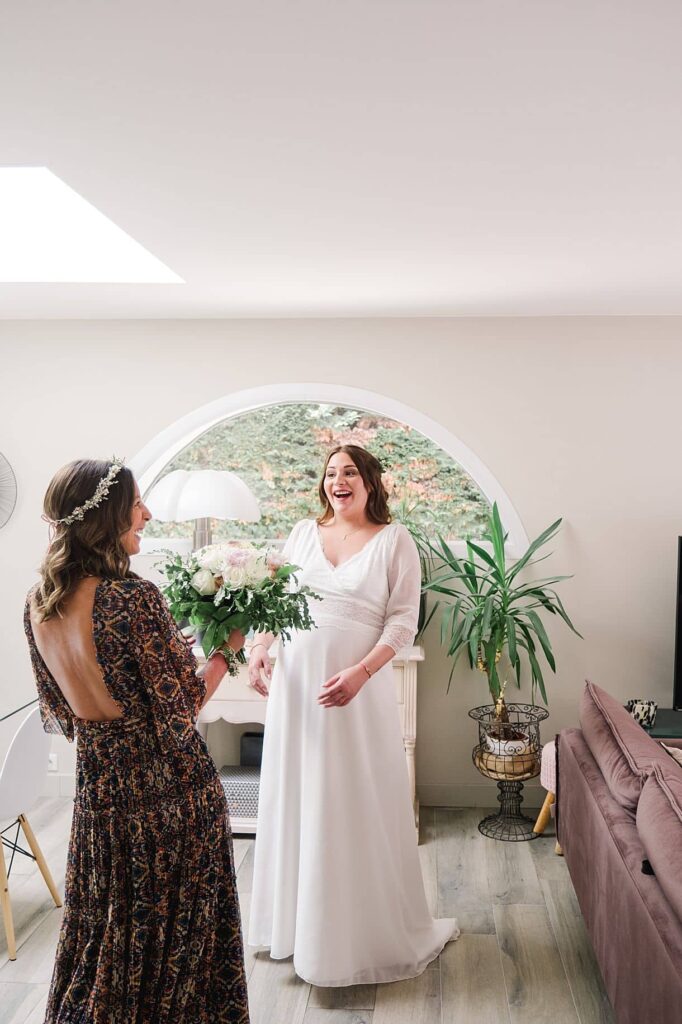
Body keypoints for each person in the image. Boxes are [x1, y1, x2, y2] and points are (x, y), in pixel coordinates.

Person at [24, 458, 250, 1024]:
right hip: (170, 793)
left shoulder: (38, 603)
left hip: (99, 793)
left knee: (104, 932)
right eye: (137, 504)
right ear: (106, 516)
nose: (146, 513)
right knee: (180, 938)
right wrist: (227, 652)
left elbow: (63, 715)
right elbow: (181, 711)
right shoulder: (132, 597)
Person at [247, 444, 458, 986]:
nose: (337, 481)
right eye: (330, 473)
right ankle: (295, 929)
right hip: (297, 691)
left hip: (356, 695)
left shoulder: (395, 541)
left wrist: (361, 675)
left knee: (350, 799)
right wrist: (260, 648)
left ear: (370, 483)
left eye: (349, 473)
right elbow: (272, 602)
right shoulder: (300, 534)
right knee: (299, 795)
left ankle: (351, 937)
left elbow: (401, 623)